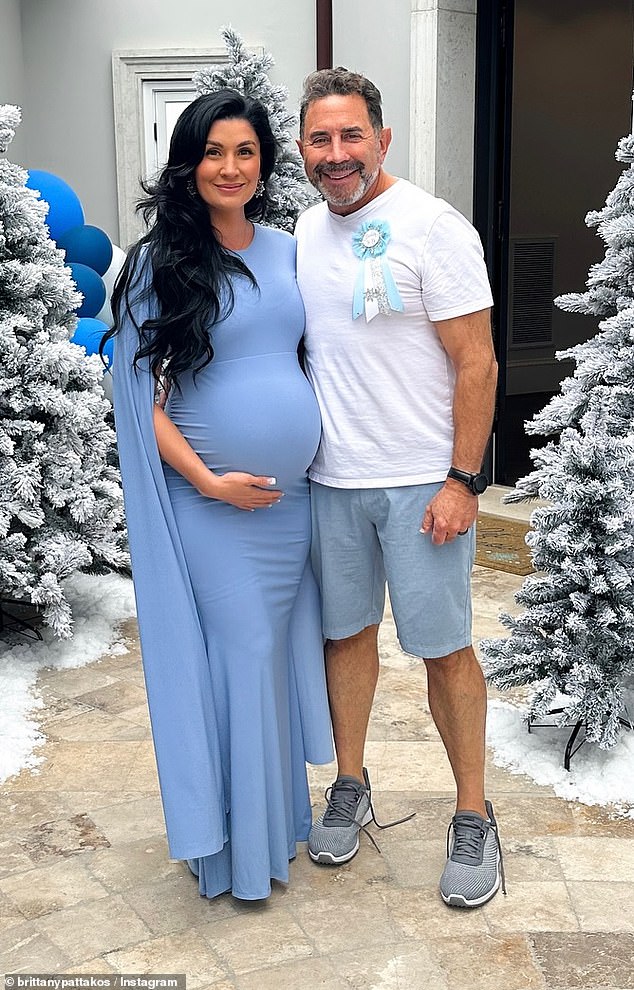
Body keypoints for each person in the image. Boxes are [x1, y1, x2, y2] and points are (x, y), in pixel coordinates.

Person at [104, 90, 333, 901]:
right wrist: (205, 478)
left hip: (290, 505)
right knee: (241, 655)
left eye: (245, 152)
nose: (229, 168)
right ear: (187, 163)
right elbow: (134, 394)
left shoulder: (288, 250)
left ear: (265, 163)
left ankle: (274, 828)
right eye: (212, 152)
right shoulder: (157, 262)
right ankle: (233, 854)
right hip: (210, 506)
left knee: (268, 663)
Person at [294, 68, 503, 908]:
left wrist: (463, 479)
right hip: (331, 479)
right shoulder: (303, 230)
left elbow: (477, 362)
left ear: (382, 139)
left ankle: (473, 813)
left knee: (444, 649)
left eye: (351, 135)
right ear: (302, 149)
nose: (336, 153)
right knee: (345, 638)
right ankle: (351, 783)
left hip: (423, 484)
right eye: (320, 138)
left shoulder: (433, 226)